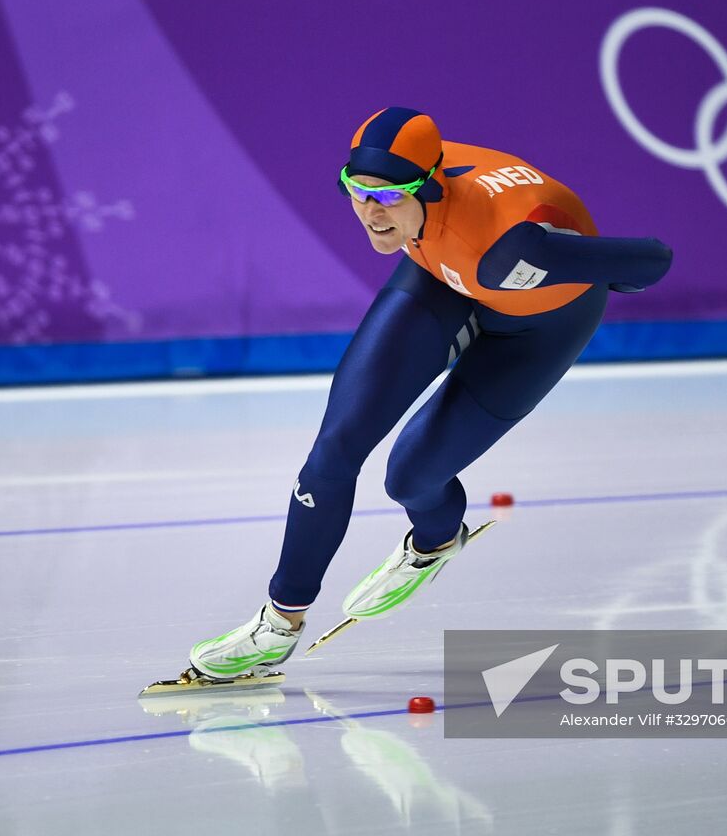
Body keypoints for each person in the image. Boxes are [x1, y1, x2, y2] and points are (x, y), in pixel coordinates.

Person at [186, 107, 671, 680]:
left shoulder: (510, 248)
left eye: (390, 197)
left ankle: (435, 542)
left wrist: (587, 265)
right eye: (358, 192)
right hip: (440, 278)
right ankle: (277, 626)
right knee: (333, 452)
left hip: (539, 326)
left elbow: (652, 259)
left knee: (409, 477)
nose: (372, 212)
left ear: (431, 187)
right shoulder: (415, 187)